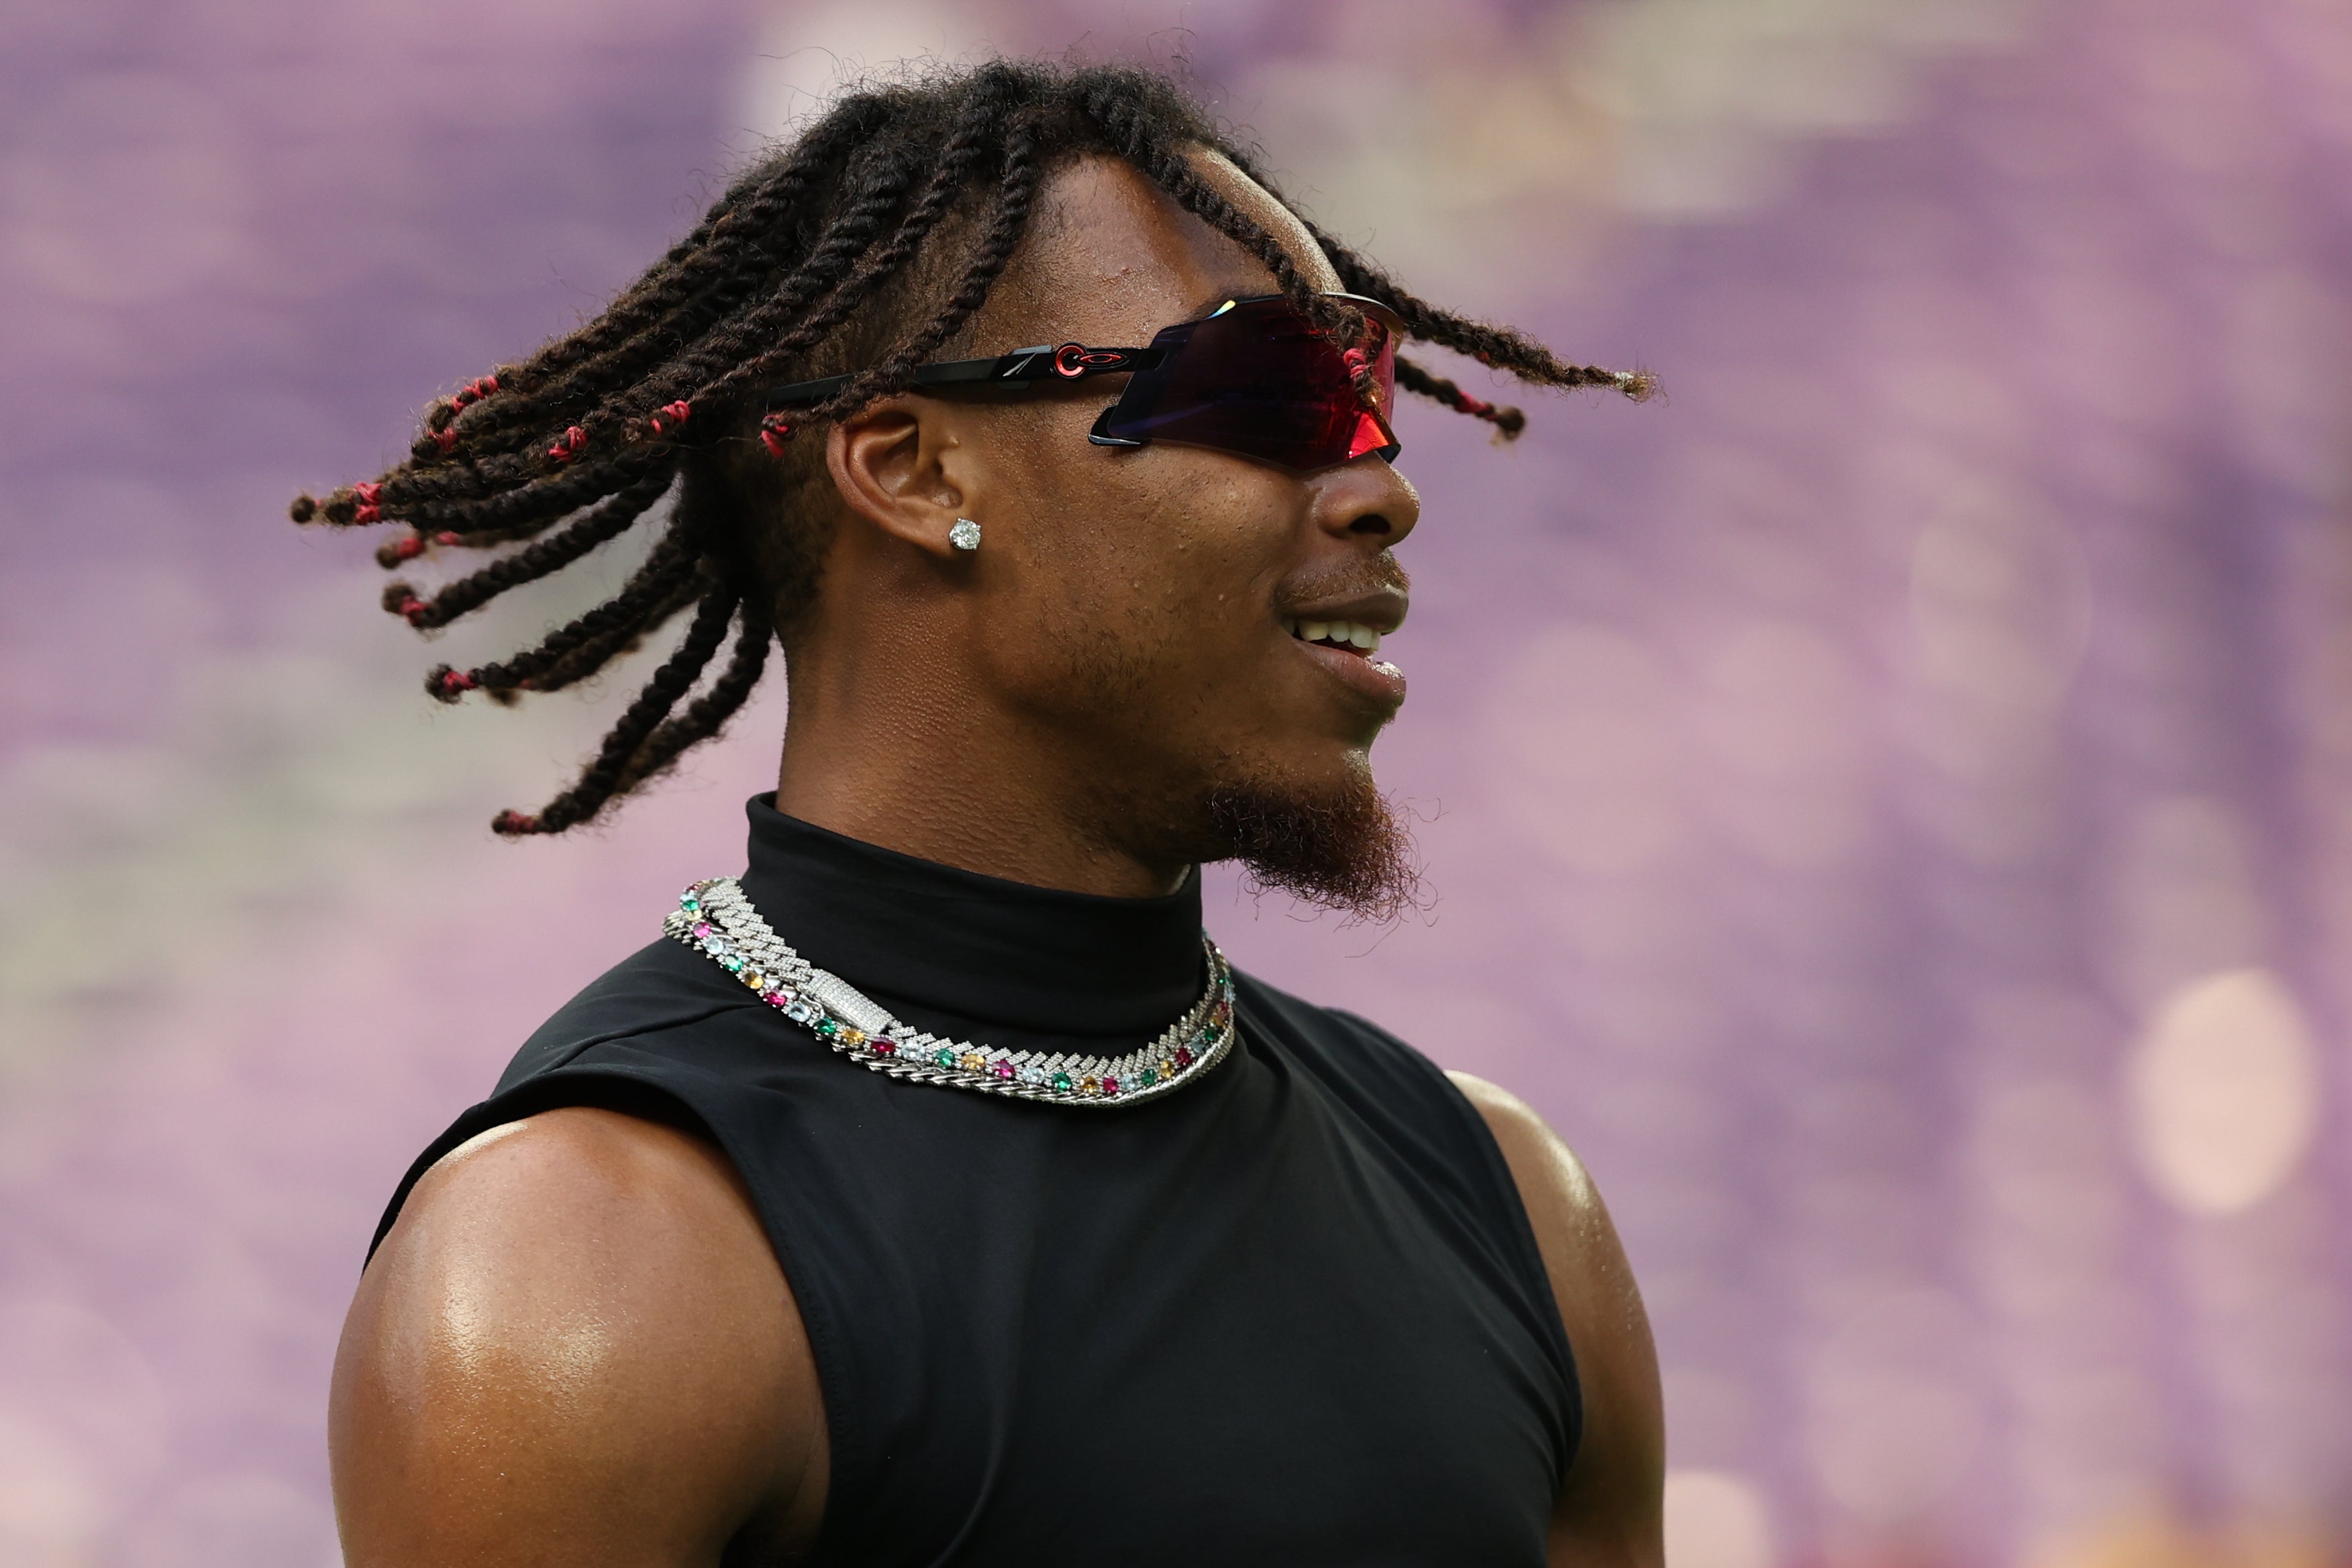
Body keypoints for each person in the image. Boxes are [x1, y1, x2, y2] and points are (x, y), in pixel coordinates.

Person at [306, 60, 1664, 1567]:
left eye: (1363, 390)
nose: (1378, 482)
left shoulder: (1510, 1205)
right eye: (1264, 391)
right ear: (912, 465)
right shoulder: (586, 1262)